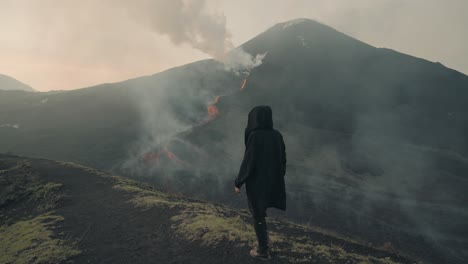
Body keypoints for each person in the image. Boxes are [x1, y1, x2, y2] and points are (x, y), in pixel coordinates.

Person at [234, 105, 287, 260]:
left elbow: (249, 162)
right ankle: (265, 242)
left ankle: (263, 250)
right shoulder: (277, 135)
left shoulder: (255, 136)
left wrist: (238, 182)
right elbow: (283, 159)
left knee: (257, 213)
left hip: (257, 183)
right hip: (273, 181)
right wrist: (279, 175)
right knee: (261, 212)